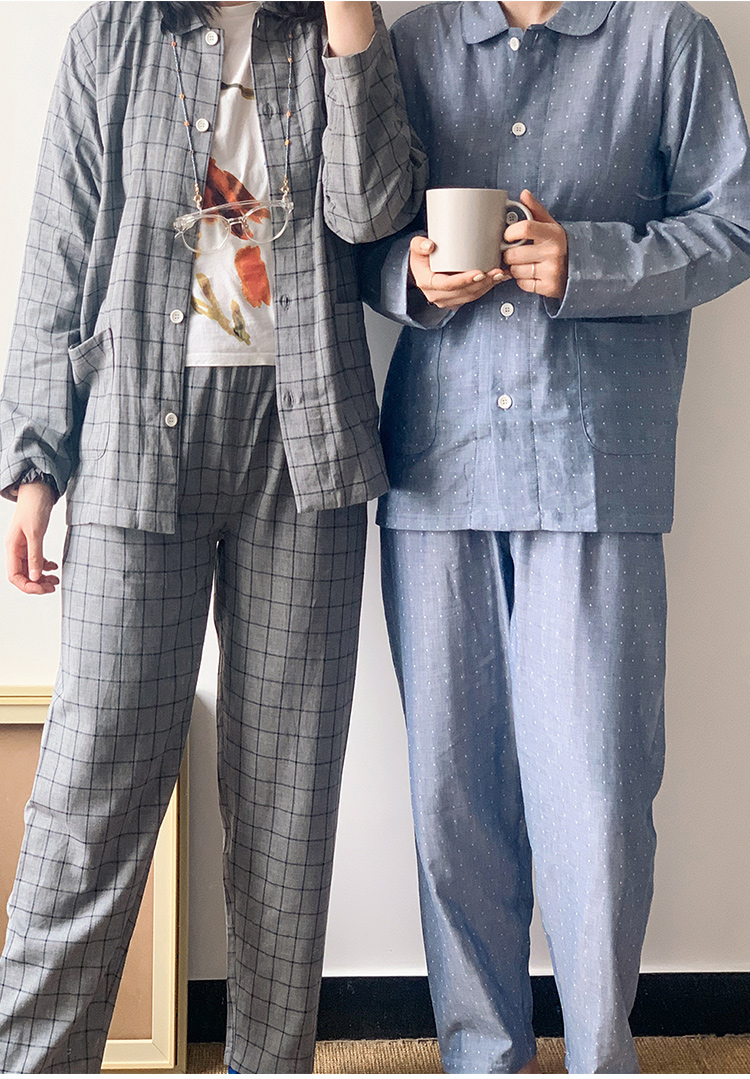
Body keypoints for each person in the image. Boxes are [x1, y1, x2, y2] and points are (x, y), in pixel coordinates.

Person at [0, 1, 426, 1072]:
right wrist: (35, 465)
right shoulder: (115, 35)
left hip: (308, 441)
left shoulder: (331, 33)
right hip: (135, 439)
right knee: (95, 785)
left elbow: (374, 208)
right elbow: (59, 252)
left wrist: (352, 24)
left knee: (288, 804)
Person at [360, 1, 750, 1073]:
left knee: (599, 798)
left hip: (593, 466)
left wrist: (590, 259)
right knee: (453, 800)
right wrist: (407, 277)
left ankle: (598, 1054)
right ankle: (482, 1053)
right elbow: (353, 230)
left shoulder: (665, 40)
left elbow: (735, 223)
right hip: (436, 468)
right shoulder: (414, 47)